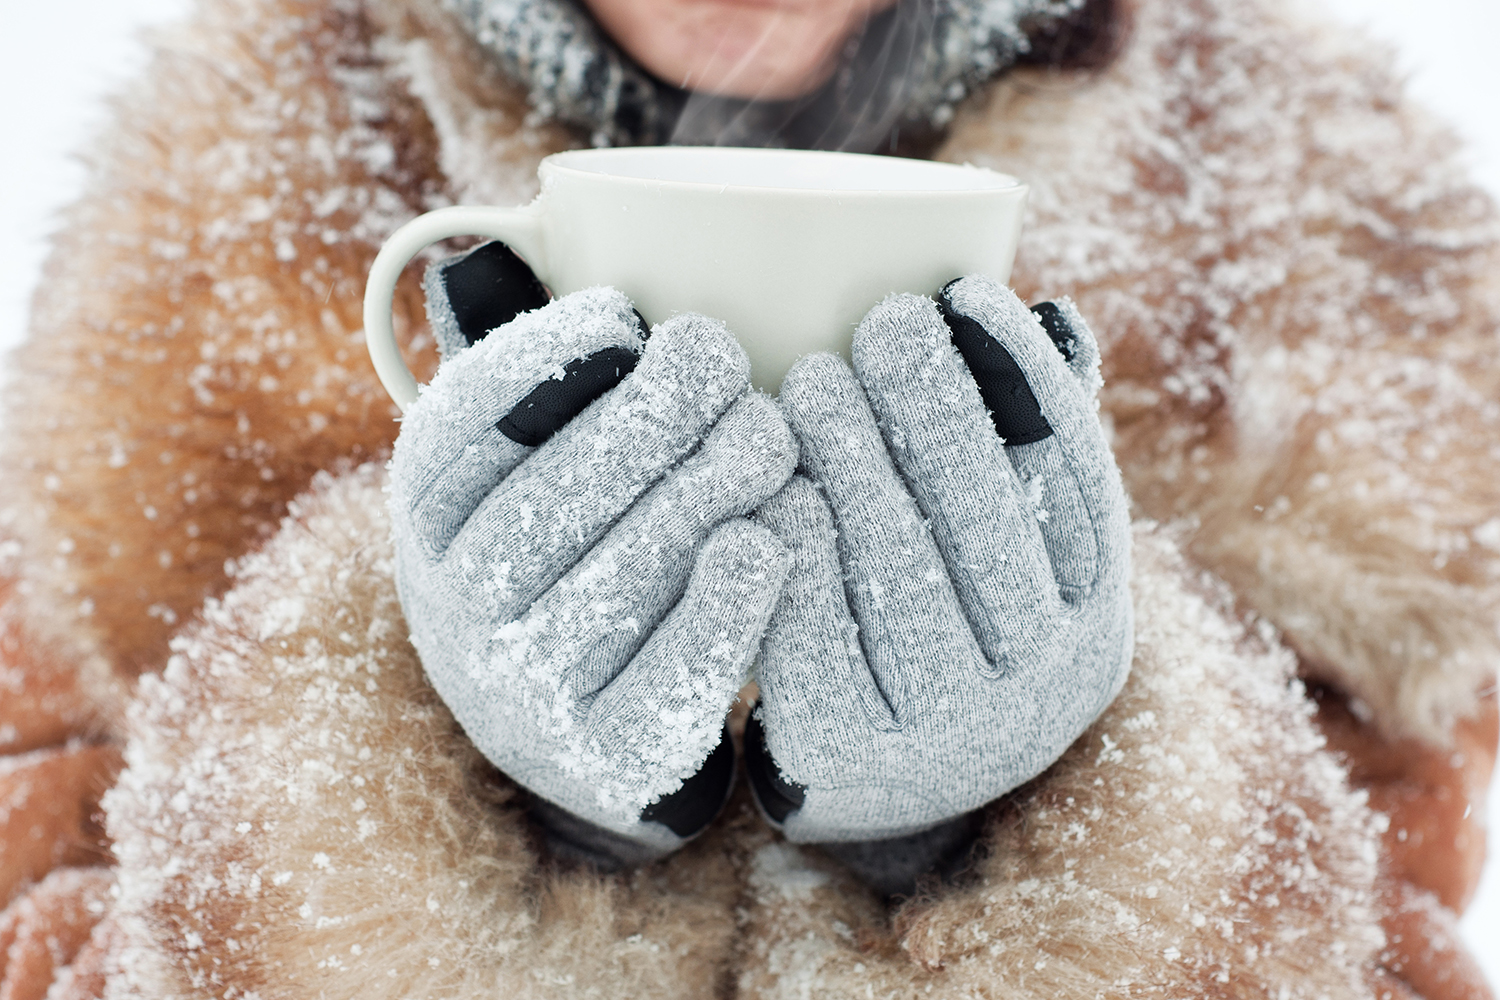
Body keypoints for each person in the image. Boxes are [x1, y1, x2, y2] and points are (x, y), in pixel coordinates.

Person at [0, 0, 1495, 996]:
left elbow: (1410, 955)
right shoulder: (196, 238)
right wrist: (452, 820)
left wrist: (1028, 845)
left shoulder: (1329, 253)